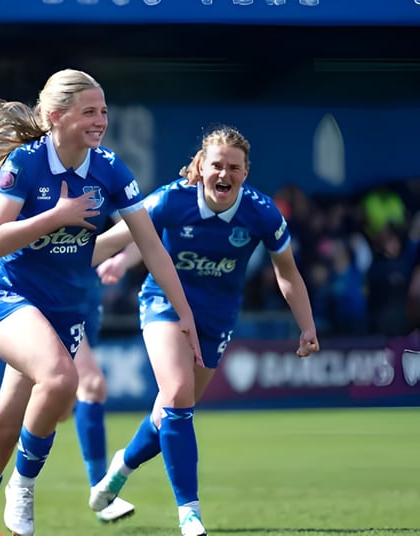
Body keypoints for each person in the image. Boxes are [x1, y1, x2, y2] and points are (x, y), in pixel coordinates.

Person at [0, 69, 201, 536]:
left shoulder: (111, 169)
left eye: (103, 111)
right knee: (63, 380)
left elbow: (153, 248)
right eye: (89, 112)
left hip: (62, 312)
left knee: (2, 425)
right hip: (8, 297)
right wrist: (57, 215)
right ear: (56, 116)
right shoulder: (26, 163)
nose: (100, 120)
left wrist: (185, 312)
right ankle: (23, 484)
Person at [88, 125, 320, 536]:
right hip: (165, 305)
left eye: (233, 167)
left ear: (245, 173)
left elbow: (287, 274)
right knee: (177, 396)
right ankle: (189, 513)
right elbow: (118, 239)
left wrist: (307, 326)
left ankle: (120, 468)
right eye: (216, 165)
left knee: (169, 413)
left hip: (216, 320)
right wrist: (68, 264)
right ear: (201, 166)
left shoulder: (262, 212)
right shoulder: (170, 200)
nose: (223, 173)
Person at [0, 182, 135, 524]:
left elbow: (133, 224)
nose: (94, 126)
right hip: (36, 300)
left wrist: (124, 257)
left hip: (79, 297)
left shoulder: (101, 172)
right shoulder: (32, 163)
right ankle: (100, 490)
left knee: (57, 409)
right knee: (88, 384)